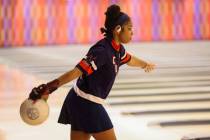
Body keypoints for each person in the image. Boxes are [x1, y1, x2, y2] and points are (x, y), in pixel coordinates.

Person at [29, 4, 155, 140]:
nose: (132, 33)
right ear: (118, 29)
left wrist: (144, 64)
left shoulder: (117, 49)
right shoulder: (102, 50)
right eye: (129, 29)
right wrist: (48, 88)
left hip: (79, 101)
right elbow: (76, 72)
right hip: (86, 103)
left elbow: (129, 59)